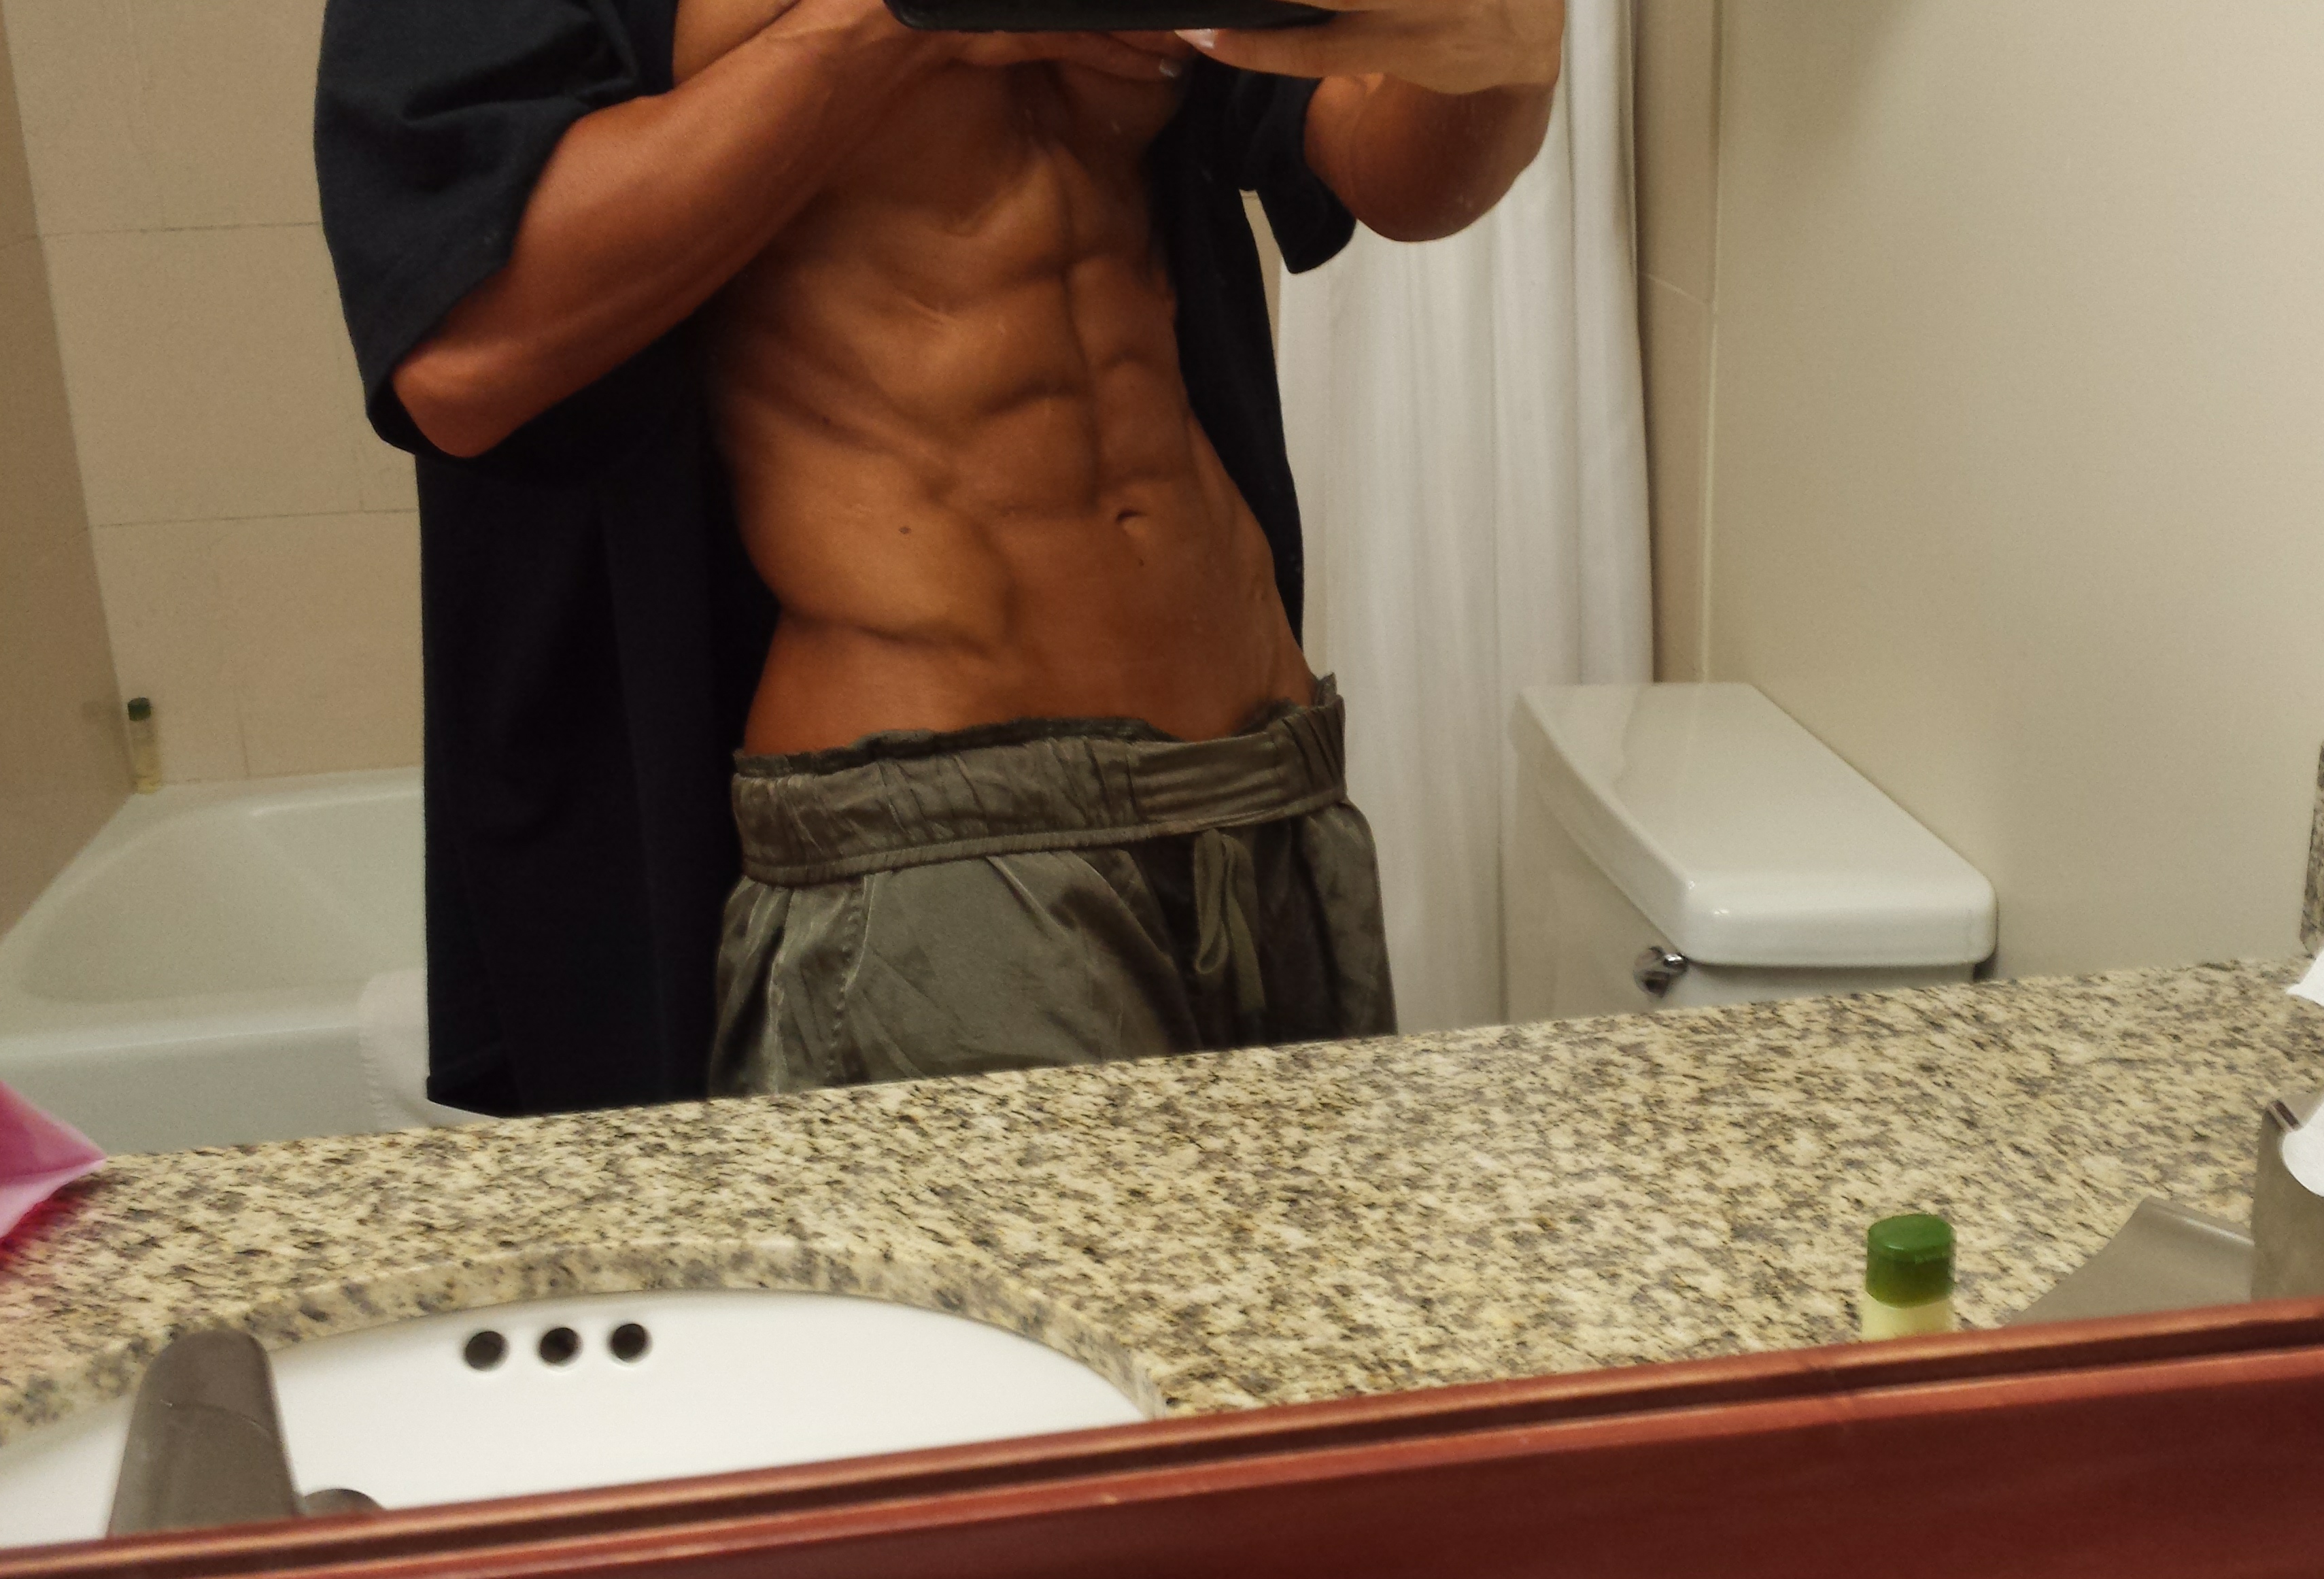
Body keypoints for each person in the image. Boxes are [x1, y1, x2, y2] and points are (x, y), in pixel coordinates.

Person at [316, 0, 1561, 1109]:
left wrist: (1506, 60)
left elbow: (1386, 164)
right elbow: (459, 350)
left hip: (1265, 784)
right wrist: (899, 20)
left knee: (1319, 1300)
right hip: (939, 838)